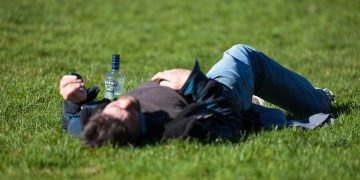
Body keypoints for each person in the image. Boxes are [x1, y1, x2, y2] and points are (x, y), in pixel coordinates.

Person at [60, 44, 334, 147]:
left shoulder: (97, 126)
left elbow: (73, 122)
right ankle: (319, 100)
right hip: (215, 92)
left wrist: (74, 100)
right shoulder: (182, 129)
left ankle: (259, 107)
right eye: (131, 113)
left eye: (115, 105)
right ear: (135, 133)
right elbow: (228, 122)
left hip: (203, 90)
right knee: (242, 55)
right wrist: (193, 83)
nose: (126, 102)